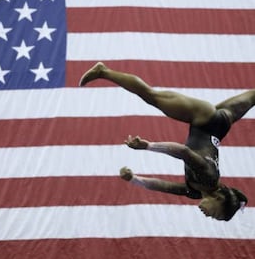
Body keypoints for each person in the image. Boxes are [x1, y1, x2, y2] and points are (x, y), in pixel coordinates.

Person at [79, 62, 254, 221]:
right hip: (204, 118)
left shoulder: (195, 192)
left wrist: (134, 179)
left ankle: (104, 72)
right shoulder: (209, 178)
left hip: (220, 125)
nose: (209, 216)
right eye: (215, 214)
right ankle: (103, 71)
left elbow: (163, 186)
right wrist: (148, 146)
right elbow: (184, 152)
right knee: (151, 96)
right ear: (219, 198)